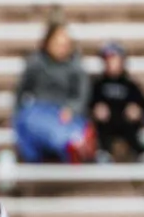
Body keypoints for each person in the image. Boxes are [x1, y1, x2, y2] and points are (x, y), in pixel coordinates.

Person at [13, 20, 93, 163]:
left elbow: (81, 95)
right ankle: (69, 144)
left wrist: (71, 109)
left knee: (66, 126)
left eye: (65, 44)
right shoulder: (35, 63)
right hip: (39, 111)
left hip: (64, 113)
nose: (61, 48)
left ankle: (71, 144)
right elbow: (21, 91)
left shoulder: (76, 67)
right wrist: (18, 112)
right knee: (29, 123)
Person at [89, 41, 144, 162]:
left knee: (131, 126)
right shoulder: (97, 84)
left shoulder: (131, 85)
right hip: (106, 123)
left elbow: (143, 104)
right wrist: (95, 109)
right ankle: (102, 152)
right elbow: (89, 103)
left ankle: (140, 154)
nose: (111, 63)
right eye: (108, 59)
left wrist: (137, 110)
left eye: (114, 59)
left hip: (126, 123)